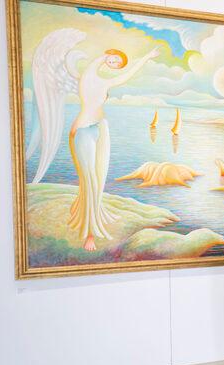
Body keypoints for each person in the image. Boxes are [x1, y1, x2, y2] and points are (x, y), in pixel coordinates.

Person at [68, 47, 159, 250]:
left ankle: (87, 212)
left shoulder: (104, 82)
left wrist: (146, 56)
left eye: (118, 64)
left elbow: (128, 74)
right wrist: (104, 56)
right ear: (110, 53)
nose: (115, 64)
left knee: (98, 178)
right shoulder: (87, 75)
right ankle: (89, 234)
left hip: (101, 127)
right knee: (90, 180)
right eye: (115, 59)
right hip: (83, 131)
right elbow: (94, 66)